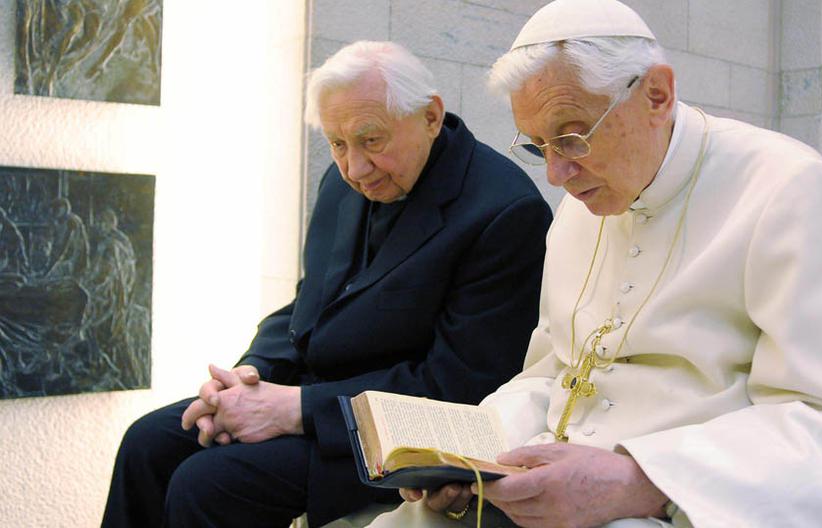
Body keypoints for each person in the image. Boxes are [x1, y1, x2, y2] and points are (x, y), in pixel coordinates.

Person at [368, 1, 822, 527]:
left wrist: (645, 479)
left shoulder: (787, 188)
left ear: (656, 95)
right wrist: (476, 451)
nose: (556, 176)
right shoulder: (577, 212)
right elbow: (552, 373)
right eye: (539, 147)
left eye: (571, 137)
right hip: (536, 491)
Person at [101, 41, 553, 528]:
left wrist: (294, 410)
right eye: (337, 144)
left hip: (391, 437)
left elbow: (459, 385)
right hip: (308, 395)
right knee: (145, 443)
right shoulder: (344, 182)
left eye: (371, 140)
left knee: (207, 482)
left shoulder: (506, 212)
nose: (355, 168)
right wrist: (244, 381)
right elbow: (306, 307)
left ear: (430, 116)